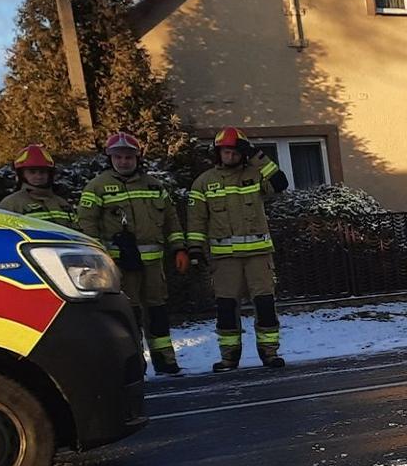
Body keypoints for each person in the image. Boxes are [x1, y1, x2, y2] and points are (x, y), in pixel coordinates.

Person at [76, 131, 184, 375]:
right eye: (118, 157)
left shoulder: (155, 186)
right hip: (119, 266)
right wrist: (99, 261)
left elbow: (171, 220)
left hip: (153, 266)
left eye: (128, 156)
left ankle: (165, 360)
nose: (124, 161)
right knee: (129, 314)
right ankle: (135, 363)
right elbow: (87, 225)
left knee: (157, 311)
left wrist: (180, 248)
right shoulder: (97, 187)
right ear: (110, 158)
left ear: (138, 158)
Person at [188, 127, 290, 371]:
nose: (230, 156)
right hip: (225, 260)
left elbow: (280, 183)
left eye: (235, 152)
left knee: (265, 304)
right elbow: (196, 220)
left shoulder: (256, 175)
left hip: (258, 256)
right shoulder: (204, 182)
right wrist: (194, 249)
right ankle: (229, 357)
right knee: (225, 308)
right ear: (218, 153)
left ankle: (269, 353)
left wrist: (256, 154)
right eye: (225, 151)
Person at [0, 144, 75, 228]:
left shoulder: (63, 204)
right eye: (32, 172)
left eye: (42, 172)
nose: (38, 176)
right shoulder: (11, 204)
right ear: (22, 175)